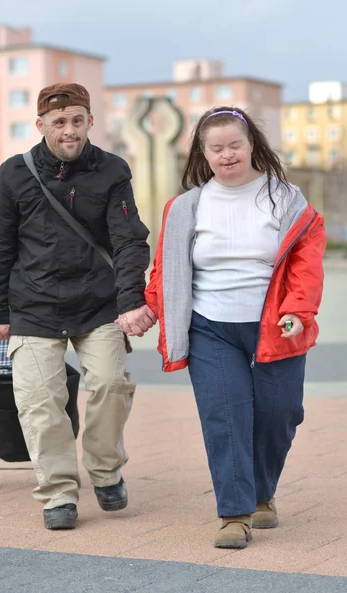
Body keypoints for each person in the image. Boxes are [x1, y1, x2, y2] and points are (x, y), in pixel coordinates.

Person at [141, 106, 325, 549]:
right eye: (216, 148)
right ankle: (235, 513)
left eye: (234, 145)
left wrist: (297, 309)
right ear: (203, 154)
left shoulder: (285, 198)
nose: (227, 155)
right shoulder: (186, 206)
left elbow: (305, 262)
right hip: (211, 327)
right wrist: (149, 308)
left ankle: (262, 492)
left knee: (280, 414)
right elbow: (166, 268)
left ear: (252, 145)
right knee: (226, 416)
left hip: (275, 324)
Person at [0, 83, 156, 530]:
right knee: (40, 402)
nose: (69, 130)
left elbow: (128, 240)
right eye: (59, 122)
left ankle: (104, 468)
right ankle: (59, 492)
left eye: (77, 120)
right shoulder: (15, 173)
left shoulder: (112, 170)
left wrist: (132, 301)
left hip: (99, 305)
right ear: (41, 126)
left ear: (90, 122)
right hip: (33, 307)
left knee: (111, 384)